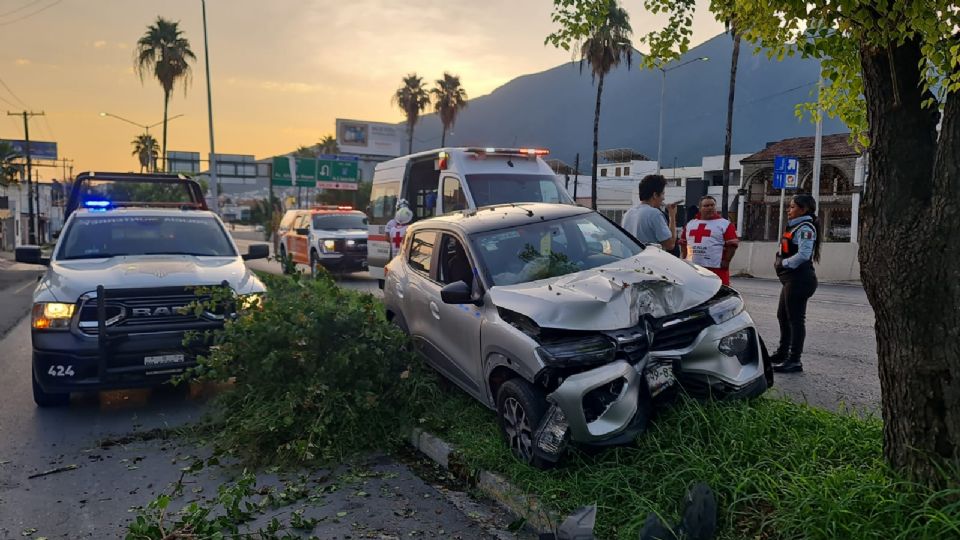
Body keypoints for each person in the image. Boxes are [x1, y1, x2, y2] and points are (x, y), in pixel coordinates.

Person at [771, 194, 821, 373]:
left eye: (792, 207)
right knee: (782, 316)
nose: (788, 210)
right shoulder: (794, 226)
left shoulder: (806, 228)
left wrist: (783, 263)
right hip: (790, 280)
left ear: (804, 209)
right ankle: (782, 353)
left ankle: (794, 360)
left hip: (800, 280)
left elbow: (804, 255)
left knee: (795, 320)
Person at [679, 195, 740, 285]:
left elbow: (732, 245)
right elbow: (683, 243)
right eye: (706, 206)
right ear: (700, 208)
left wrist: (726, 261)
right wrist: (685, 258)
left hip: (716, 269)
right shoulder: (691, 224)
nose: (710, 208)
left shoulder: (725, 224)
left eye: (712, 205)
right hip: (694, 268)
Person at [621, 174, 677, 251]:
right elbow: (670, 244)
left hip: (631, 259)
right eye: (662, 194)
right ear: (655, 195)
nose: (663, 198)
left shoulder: (628, 213)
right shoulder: (654, 214)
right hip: (649, 261)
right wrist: (672, 216)